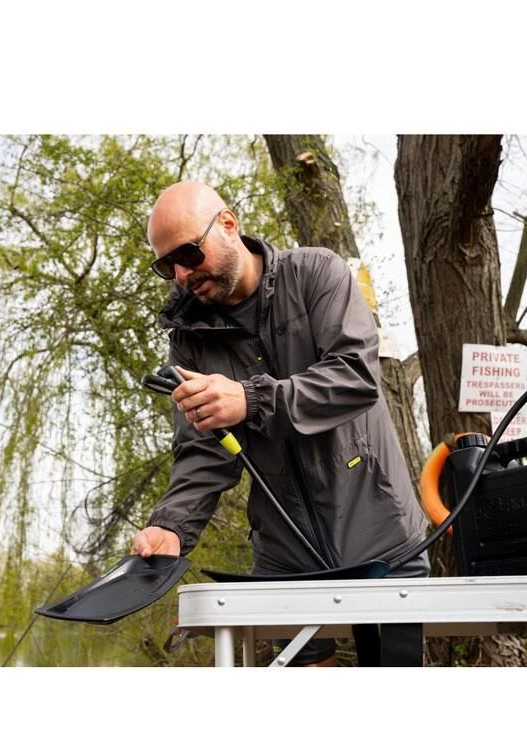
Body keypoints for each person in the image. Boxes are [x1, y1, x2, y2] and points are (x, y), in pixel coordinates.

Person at [130, 180, 430, 666]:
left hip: (383, 535)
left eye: (189, 253)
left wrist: (250, 400)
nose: (182, 274)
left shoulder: (317, 273)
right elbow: (204, 451)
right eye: (168, 265)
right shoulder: (189, 339)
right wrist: (170, 527)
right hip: (285, 556)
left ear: (228, 224)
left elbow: (355, 377)